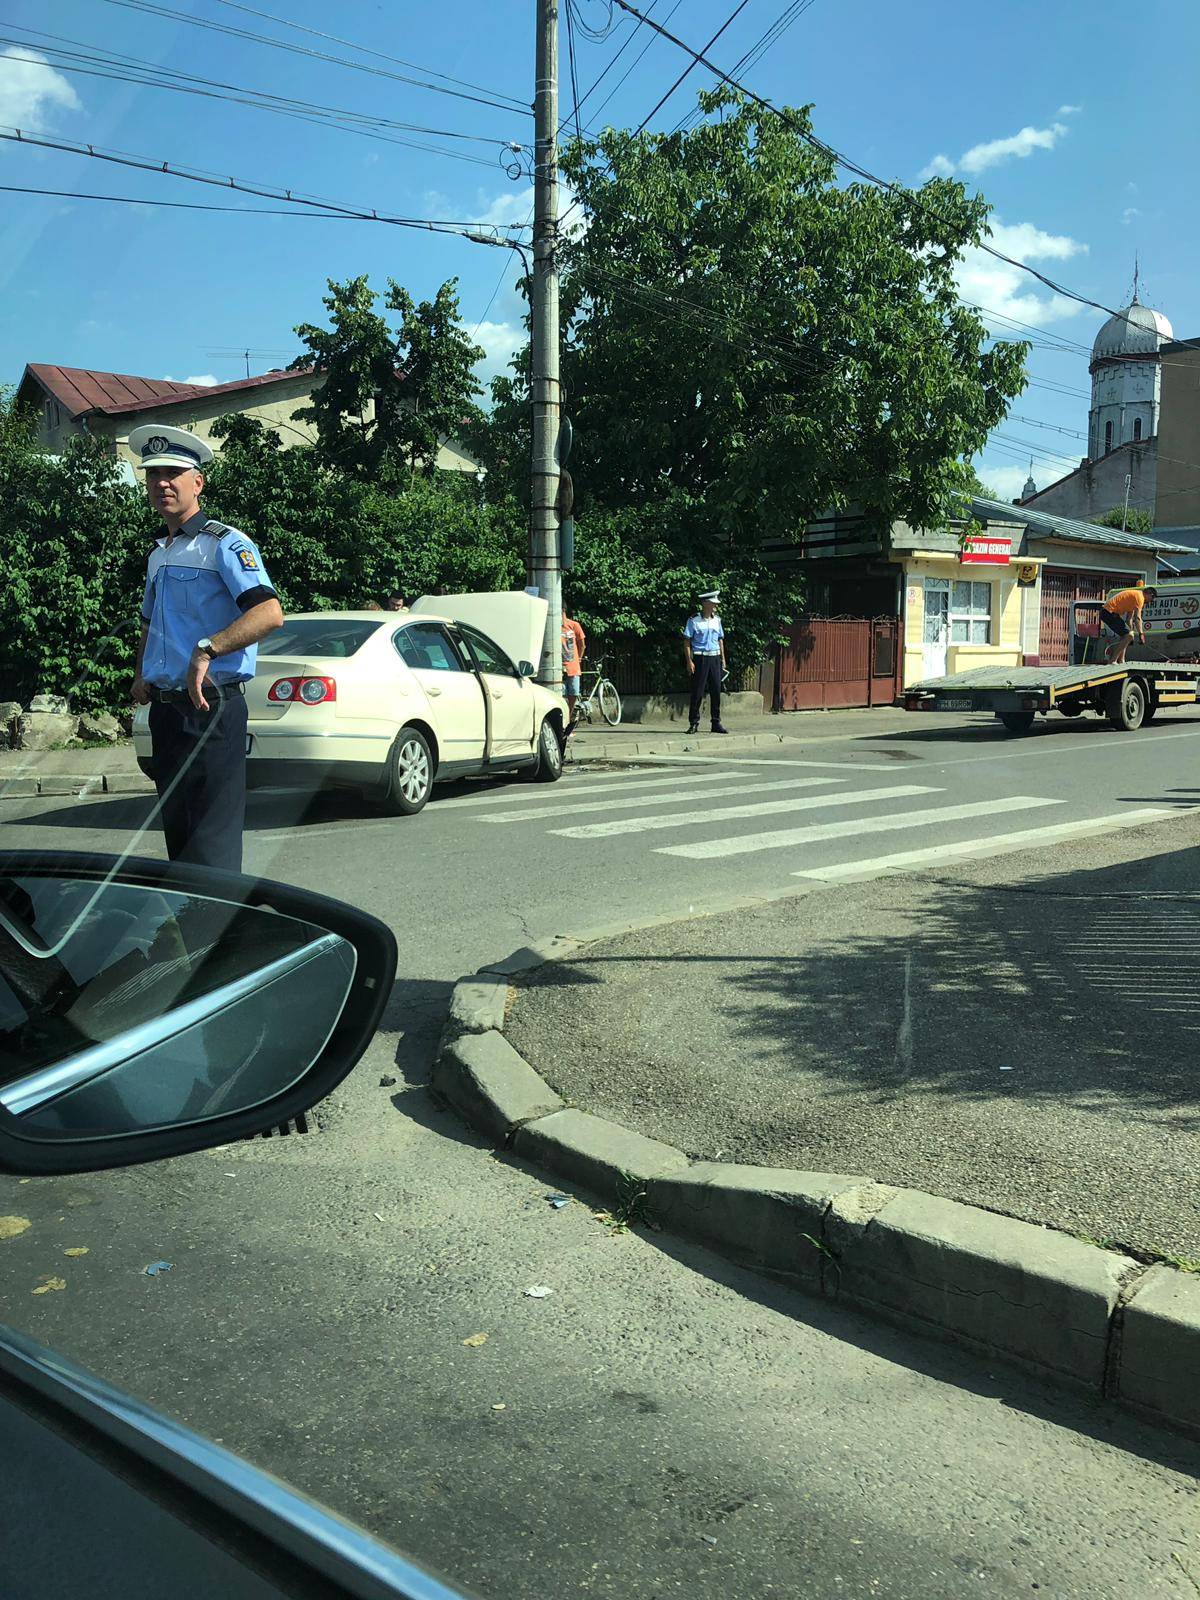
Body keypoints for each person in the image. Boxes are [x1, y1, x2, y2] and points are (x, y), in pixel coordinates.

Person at [130, 424, 283, 874]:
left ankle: (221, 938)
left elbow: (269, 613)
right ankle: (193, 937)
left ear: (198, 482)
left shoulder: (225, 544)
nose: (162, 483)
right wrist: (142, 674)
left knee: (211, 846)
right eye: (153, 474)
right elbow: (149, 621)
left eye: (174, 473)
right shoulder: (159, 554)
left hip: (210, 712)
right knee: (181, 847)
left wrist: (207, 649)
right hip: (168, 714)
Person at [683, 589, 729, 734]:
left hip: (714, 657)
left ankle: (716, 723)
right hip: (700, 657)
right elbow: (687, 642)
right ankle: (694, 723)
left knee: (716, 691)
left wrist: (723, 659)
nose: (716, 606)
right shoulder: (693, 620)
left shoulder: (717, 620)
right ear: (706, 604)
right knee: (698, 691)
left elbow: (720, 639)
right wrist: (689, 661)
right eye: (713, 604)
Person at [1100, 584, 1157, 664]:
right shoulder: (1140, 597)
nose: (1150, 602)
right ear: (1149, 594)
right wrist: (1141, 634)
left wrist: (1131, 633)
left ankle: (1121, 660)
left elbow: (1129, 619)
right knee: (1128, 635)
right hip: (1108, 613)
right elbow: (1138, 618)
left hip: (1107, 613)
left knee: (1126, 636)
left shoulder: (1135, 597)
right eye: (1151, 599)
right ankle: (1113, 660)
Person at [562, 605, 586, 730]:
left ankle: (567, 720)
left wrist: (579, 659)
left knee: (573, 693)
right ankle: (560, 722)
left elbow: (582, 644)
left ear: (563, 610)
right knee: (559, 695)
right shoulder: (551, 626)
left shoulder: (574, 625)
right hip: (558, 668)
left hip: (573, 667)